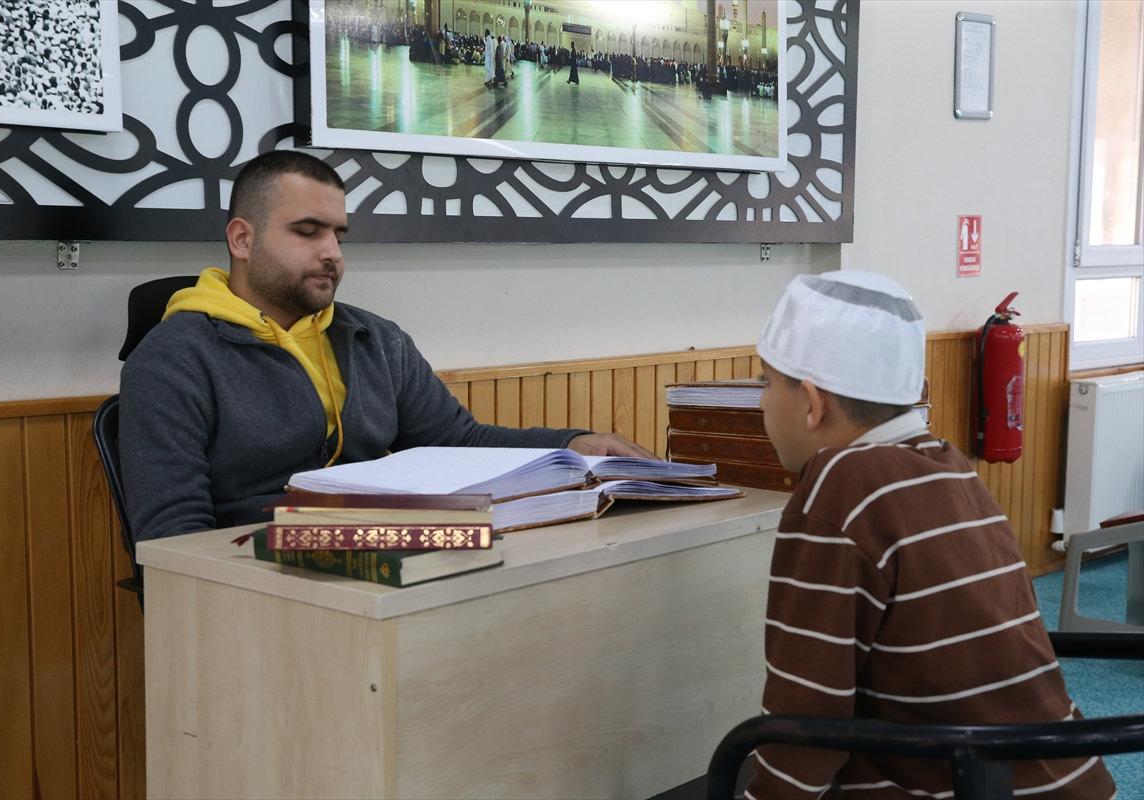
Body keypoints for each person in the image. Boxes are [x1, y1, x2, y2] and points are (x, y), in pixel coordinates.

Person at [119, 151, 651, 545]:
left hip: (389, 550)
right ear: (242, 239)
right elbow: (173, 534)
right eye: (308, 232)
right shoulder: (173, 360)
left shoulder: (374, 340)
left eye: (339, 235)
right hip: (265, 574)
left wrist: (572, 444)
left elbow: (458, 441)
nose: (332, 253)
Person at [744, 270, 1115, 799]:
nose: (761, 402)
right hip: (1067, 779)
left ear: (811, 402)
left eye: (765, 383)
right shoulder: (947, 464)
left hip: (968, 783)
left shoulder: (839, 486)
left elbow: (805, 718)